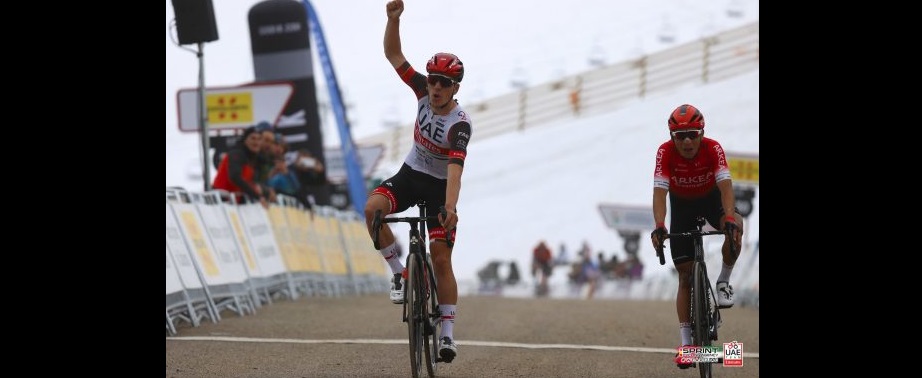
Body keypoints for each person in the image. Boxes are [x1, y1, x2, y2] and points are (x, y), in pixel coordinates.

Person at [363, 0, 471, 363]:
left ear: (455, 88)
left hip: (441, 188)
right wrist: (393, 19)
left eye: (444, 83)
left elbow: (455, 170)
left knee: (441, 260)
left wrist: (451, 208)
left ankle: (447, 335)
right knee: (372, 210)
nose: (436, 87)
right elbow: (393, 53)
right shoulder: (422, 90)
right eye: (433, 80)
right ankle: (398, 273)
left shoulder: (459, 123)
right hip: (410, 175)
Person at [648, 104, 743, 369]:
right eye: (680, 136)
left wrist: (731, 221)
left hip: (712, 200)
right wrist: (659, 225)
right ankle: (687, 343)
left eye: (692, 134)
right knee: (685, 276)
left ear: (702, 133)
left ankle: (723, 281)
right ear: (671, 136)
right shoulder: (664, 153)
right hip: (683, 206)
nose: (687, 140)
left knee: (736, 226)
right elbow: (660, 194)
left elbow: (726, 188)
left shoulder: (713, 148)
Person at [212, 126, 275, 209]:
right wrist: (258, 197)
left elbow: (252, 183)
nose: (256, 142)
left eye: (259, 139)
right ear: (245, 140)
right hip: (219, 202)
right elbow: (235, 177)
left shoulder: (253, 159)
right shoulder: (237, 154)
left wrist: (264, 191)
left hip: (233, 204)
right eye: (253, 138)